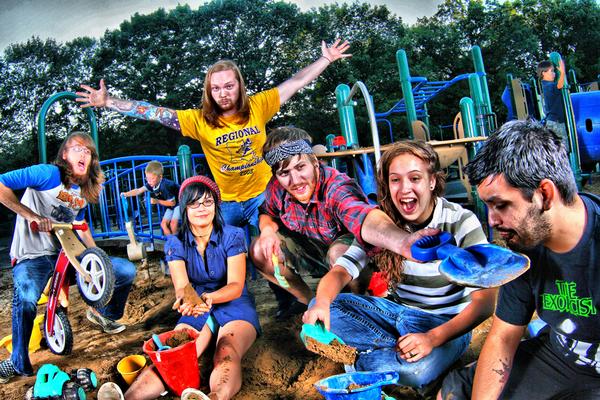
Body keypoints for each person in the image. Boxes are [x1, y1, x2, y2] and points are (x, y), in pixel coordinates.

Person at [77, 39, 351, 317]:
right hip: (227, 200)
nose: (223, 93)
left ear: (239, 86)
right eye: (216, 88)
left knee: (269, 248)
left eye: (229, 86)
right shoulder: (199, 120)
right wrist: (108, 101)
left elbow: (296, 82)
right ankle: (226, 304)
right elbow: (154, 113)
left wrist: (326, 59)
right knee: (214, 249)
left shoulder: (258, 106)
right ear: (209, 91)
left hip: (262, 196)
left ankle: (291, 300)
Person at [302, 140, 496, 390]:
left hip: (445, 325)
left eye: (415, 178)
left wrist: (431, 339)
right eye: (395, 180)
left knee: (416, 371)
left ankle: (364, 361)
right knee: (320, 306)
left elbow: (485, 302)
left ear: (432, 181)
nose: (405, 188)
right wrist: (322, 303)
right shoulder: (382, 224)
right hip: (395, 314)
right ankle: (391, 358)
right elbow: (340, 271)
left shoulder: (461, 221)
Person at [439, 120, 600, 399]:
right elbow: (503, 336)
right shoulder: (526, 246)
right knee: (456, 391)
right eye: (488, 206)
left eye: (501, 205)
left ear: (544, 194)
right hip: (561, 357)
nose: (492, 220)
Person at [250, 128, 438, 311]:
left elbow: (365, 217)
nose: (295, 180)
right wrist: (267, 230)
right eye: (284, 173)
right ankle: (309, 303)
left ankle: (363, 305)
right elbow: (267, 211)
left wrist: (402, 241)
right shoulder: (276, 187)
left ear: (314, 161)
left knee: (340, 253)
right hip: (311, 250)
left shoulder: (337, 186)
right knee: (259, 250)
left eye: (300, 167)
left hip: (351, 256)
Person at [0, 132, 136, 384]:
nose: (84, 153)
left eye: (88, 151)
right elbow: (1, 185)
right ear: (64, 154)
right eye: (78, 148)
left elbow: (81, 226)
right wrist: (31, 216)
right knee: (27, 297)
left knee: (124, 271)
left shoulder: (81, 193)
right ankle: (17, 361)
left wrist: (100, 261)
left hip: (66, 253)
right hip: (33, 256)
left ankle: (103, 313)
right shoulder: (48, 174)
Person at [120, 175, 259, 400]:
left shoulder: (232, 235)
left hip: (234, 302)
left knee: (226, 350)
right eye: (194, 203)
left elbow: (235, 285)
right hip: (196, 303)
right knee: (173, 354)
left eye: (207, 202)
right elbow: (182, 286)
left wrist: (208, 298)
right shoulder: (175, 243)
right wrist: (188, 301)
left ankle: (216, 396)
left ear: (216, 205)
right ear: (184, 208)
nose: (202, 208)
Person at [121, 160, 180, 235]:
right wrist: (126, 194)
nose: (149, 181)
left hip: (180, 203)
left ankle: (177, 241)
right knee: (163, 224)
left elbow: (172, 203)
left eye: (152, 178)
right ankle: (171, 240)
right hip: (172, 206)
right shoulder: (152, 184)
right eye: (147, 178)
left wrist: (157, 201)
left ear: (160, 177)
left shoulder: (165, 185)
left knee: (173, 224)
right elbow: (138, 191)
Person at [537, 58, 569, 151]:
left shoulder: (547, 85)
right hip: (556, 122)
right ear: (544, 73)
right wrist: (562, 73)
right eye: (551, 71)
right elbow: (559, 86)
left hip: (554, 121)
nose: (554, 73)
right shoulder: (547, 86)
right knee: (564, 148)